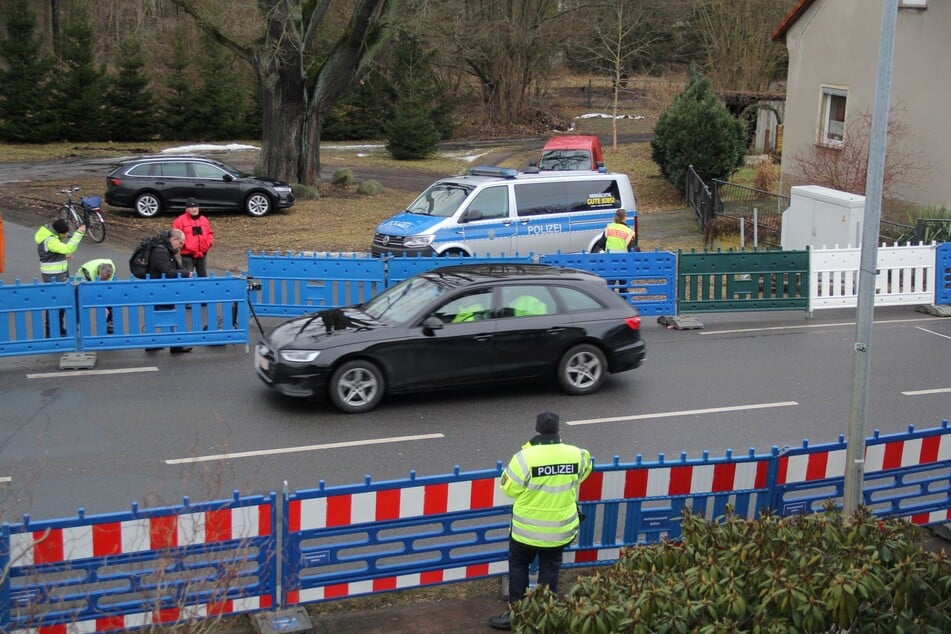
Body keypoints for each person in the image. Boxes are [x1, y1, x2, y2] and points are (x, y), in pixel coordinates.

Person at [489, 412, 592, 631]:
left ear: (536, 430)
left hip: (525, 532)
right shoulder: (577, 454)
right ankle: (547, 614)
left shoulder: (524, 458)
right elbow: (584, 472)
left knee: (519, 565)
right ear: (558, 430)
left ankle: (517, 614)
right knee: (550, 568)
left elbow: (508, 488)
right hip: (560, 531)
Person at [34, 218, 86, 336]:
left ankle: (58, 329)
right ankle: (50, 331)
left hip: (58, 275)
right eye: (64, 234)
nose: (65, 236)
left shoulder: (51, 237)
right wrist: (79, 233)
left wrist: (63, 255)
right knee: (54, 303)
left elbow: (54, 253)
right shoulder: (50, 240)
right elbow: (68, 248)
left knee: (61, 302)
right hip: (53, 276)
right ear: (58, 232)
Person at [148, 228, 193, 353]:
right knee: (169, 315)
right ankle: (175, 345)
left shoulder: (165, 250)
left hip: (161, 288)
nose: (182, 246)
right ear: (174, 239)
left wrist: (183, 271)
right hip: (160, 289)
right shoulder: (161, 252)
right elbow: (168, 272)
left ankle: (152, 343)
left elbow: (175, 268)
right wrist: (185, 273)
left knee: (161, 315)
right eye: (181, 243)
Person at [172, 197, 214, 277]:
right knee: (187, 278)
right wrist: (185, 246)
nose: (194, 209)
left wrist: (208, 243)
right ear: (187, 209)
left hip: (202, 255)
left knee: (203, 278)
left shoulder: (204, 220)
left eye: (195, 207)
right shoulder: (179, 221)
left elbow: (210, 233)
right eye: (191, 207)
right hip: (187, 255)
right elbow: (175, 236)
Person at [75, 258, 116, 334]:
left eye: (106, 279)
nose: (104, 280)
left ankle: (110, 323)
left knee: (110, 295)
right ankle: (74, 326)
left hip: (95, 277)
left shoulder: (112, 268)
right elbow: (94, 292)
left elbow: (107, 289)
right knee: (78, 302)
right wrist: (103, 307)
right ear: (99, 273)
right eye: (103, 278)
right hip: (83, 279)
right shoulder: (89, 273)